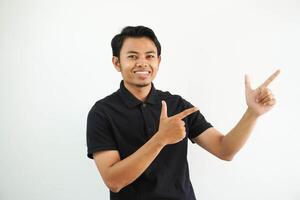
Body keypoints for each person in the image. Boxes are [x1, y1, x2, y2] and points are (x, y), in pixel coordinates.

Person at [86, 25, 280, 200]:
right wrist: (160, 139)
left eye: (150, 56)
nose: (142, 63)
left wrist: (252, 113)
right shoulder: (102, 112)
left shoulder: (177, 105)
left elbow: (224, 150)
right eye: (132, 56)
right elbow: (114, 181)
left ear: (159, 61)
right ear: (116, 63)